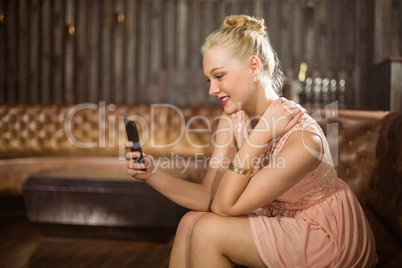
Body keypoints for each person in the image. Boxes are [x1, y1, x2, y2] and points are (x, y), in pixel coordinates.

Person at [125, 15, 378, 268]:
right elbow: (209, 197)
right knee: (190, 222)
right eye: (208, 80)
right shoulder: (234, 118)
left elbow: (225, 207)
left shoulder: (304, 139)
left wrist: (259, 136)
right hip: (281, 221)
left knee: (207, 231)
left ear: (254, 67)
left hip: (324, 236)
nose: (212, 90)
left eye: (220, 76)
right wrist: (151, 173)